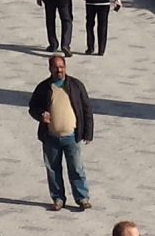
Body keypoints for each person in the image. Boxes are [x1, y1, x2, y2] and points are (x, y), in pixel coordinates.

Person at [28, 54, 94, 211]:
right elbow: (32, 107)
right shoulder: (44, 88)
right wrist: (41, 115)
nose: (59, 70)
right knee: (53, 170)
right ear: (50, 69)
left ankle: (82, 198)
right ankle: (58, 198)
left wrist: (88, 132)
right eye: (56, 67)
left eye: (61, 67)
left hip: (72, 136)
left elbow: (86, 109)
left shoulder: (76, 86)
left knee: (76, 168)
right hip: (51, 137)